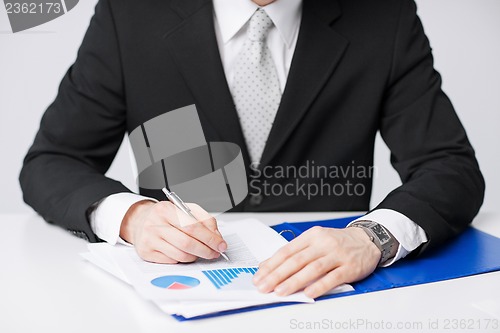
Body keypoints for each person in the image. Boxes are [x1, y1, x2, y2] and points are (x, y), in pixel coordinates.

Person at [20, 0, 484, 299]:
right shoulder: (131, 15)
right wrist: (132, 216)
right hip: (182, 289)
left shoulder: (385, 17)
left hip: (327, 298)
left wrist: (372, 239)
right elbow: (53, 161)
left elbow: (449, 166)